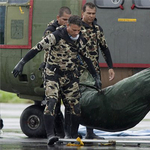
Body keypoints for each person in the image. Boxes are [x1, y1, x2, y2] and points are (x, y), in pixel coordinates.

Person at [12, 15, 101, 145]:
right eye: (74, 30)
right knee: (52, 101)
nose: (76, 33)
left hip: (70, 77)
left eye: (78, 30)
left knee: (75, 106)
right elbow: (37, 48)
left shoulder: (80, 39)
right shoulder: (56, 35)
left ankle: (72, 135)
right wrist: (21, 63)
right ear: (68, 26)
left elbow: (87, 59)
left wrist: (96, 76)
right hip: (53, 75)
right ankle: (50, 135)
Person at [80, 2, 115, 139]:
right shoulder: (76, 28)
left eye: (93, 13)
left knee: (93, 102)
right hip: (79, 71)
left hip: (94, 71)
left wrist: (110, 67)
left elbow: (104, 48)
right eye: (88, 13)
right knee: (75, 101)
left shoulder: (97, 29)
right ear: (83, 13)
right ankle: (70, 132)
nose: (91, 16)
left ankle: (90, 133)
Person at [39, 6, 72, 139]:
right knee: (54, 105)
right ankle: (57, 133)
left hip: (66, 72)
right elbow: (46, 49)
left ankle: (66, 133)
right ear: (58, 18)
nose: (66, 22)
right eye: (64, 19)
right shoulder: (51, 31)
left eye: (68, 20)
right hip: (52, 71)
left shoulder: (70, 30)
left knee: (69, 104)